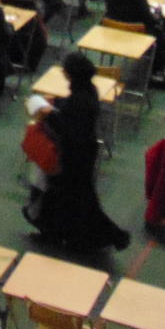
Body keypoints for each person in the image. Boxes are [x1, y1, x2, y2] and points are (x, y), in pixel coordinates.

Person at [24, 52, 131, 253]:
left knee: (75, 197)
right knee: (73, 196)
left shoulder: (79, 100)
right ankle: (61, 233)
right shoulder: (88, 90)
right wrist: (55, 102)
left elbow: (67, 127)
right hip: (83, 152)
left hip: (75, 155)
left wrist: (48, 114)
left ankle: (107, 235)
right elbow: (70, 108)